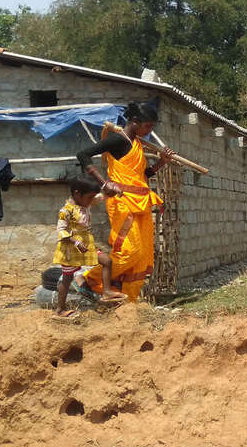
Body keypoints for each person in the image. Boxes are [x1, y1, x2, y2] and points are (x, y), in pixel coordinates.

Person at [75, 102, 175, 301]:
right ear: (135, 122)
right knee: (129, 251)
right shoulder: (116, 141)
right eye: (148, 126)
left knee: (143, 254)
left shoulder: (136, 144)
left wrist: (161, 163)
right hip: (122, 202)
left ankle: (129, 300)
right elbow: (83, 154)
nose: (149, 131)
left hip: (142, 202)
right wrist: (104, 184)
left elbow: (141, 175)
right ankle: (86, 278)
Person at [53, 175, 126, 317]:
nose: (92, 200)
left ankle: (106, 292)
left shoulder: (86, 203)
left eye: (93, 197)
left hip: (86, 246)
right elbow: (61, 231)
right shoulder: (66, 211)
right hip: (71, 250)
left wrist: (115, 190)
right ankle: (60, 310)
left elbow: (102, 196)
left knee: (107, 261)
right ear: (77, 194)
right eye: (90, 197)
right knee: (67, 279)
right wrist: (76, 242)